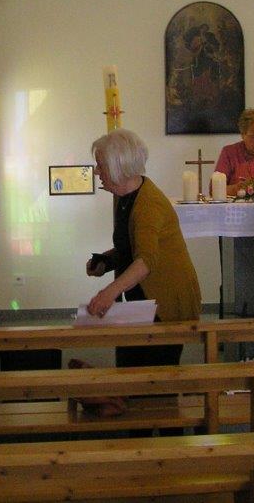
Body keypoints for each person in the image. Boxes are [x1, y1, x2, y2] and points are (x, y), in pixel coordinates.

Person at [85, 128, 201, 369]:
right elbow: (131, 247)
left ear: (118, 167)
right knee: (131, 369)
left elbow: (146, 260)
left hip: (164, 302)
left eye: (101, 165)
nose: (96, 171)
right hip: (143, 300)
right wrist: (105, 262)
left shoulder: (148, 203)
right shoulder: (125, 197)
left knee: (153, 377)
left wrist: (109, 293)